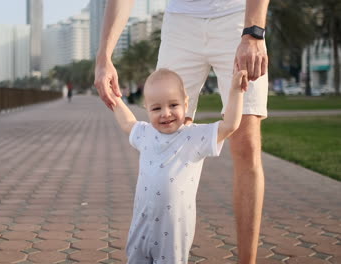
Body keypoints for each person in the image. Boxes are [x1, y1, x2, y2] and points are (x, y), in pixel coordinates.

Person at [94, 1, 269, 263]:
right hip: (181, 21)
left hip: (238, 17)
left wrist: (253, 31)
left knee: (246, 144)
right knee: (168, 130)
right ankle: (160, 248)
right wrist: (104, 56)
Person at [108, 68, 247, 263]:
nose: (166, 114)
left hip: (172, 232)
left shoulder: (195, 137)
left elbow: (230, 125)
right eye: (156, 108)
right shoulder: (145, 133)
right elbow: (127, 122)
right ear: (146, 108)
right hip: (141, 225)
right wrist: (113, 96)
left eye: (173, 105)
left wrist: (235, 91)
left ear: (186, 103)